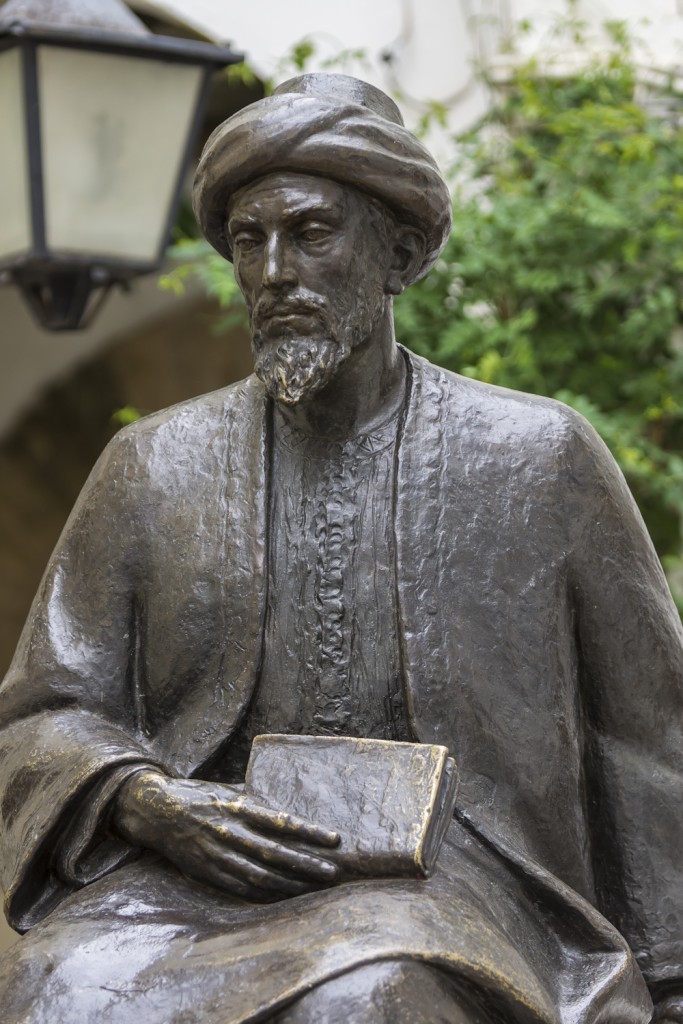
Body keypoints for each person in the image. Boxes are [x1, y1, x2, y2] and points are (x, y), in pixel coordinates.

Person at [0, 73, 681, 1024]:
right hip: (191, 883)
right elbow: (44, 711)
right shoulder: (150, 464)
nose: (275, 270)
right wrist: (143, 800)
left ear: (397, 253)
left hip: (458, 878)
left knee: (368, 995)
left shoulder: (540, 457)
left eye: (311, 234)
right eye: (249, 241)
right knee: (52, 988)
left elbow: (647, 740)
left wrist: (673, 976)